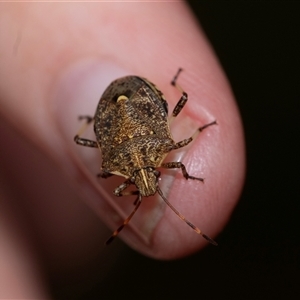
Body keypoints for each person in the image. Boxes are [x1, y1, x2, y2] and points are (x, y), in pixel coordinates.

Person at [0, 3, 245, 298]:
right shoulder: (163, 157)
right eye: (148, 185)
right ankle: (144, 96)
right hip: (132, 99)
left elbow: (130, 184)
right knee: (171, 110)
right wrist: (196, 134)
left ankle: (90, 120)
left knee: (84, 141)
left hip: (120, 107)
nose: (148, 187)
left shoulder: (128, 169)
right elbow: (178, 161)